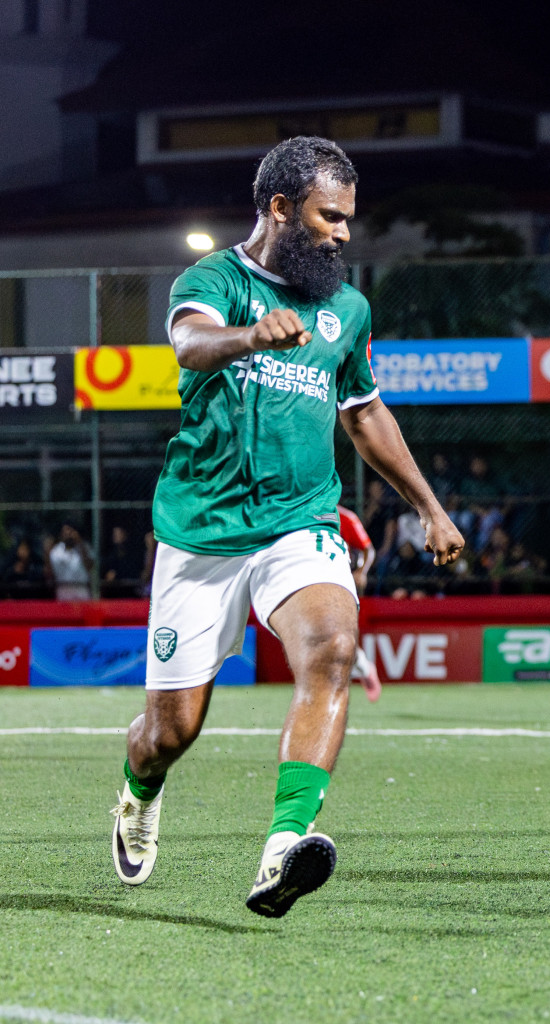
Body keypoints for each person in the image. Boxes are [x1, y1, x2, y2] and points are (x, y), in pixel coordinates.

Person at [110, 137, 464, 918]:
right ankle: (138, 791)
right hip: (200, 534)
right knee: (171, 732)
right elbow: (190, 343)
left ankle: (283, 848)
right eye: (328, 217)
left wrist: (427, 505)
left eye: (348, 219)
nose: (343, 233)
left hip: (297, 522)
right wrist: (249, 336)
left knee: (334, 647)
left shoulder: (348, 307)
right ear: (278, 207)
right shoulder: (215, 280)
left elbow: (364, 411)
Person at [337, 504, 382, 700]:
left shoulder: (345, 517)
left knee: (340, 634)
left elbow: (368, 549)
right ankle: (362, 667)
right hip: (307, 579)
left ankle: (363, 668)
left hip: (339, 578)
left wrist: (361, 572)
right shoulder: (298, 510)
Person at [49, 523, 94, 601]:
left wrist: (80, 543)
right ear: (61, 534)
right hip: (64, 589)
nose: (68, 534)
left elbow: (90, 566)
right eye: (65, 531)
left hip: (81, 589)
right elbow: (51, 572)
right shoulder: (56, 551)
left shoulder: (85, 547)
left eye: (70, 531)